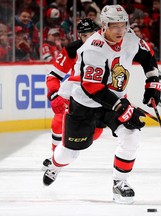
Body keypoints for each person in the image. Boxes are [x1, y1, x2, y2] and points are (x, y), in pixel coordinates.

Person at [42, 4, 161, 205]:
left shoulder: (130, 38)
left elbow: (147, 56)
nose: (119, 31)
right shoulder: (93, 48)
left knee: (131, 136)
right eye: (114, 26)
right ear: (104, 26)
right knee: (70, 153)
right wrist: (123, 108)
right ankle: (54, 166)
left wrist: (153, 84)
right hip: (85, 104)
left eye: (122, 25)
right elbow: (92, 88)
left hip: (113, 100)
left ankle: (119, 183)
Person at [43, 18, 100, 170]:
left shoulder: (109, 48)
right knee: (58, 120)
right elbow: (53, 75)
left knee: (94, 135)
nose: (88, 39)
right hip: (77, 93)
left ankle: (69, 152)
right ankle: (56, 156)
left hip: (101, 96)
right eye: (84, 35)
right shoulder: (72, 49)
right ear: (79, 36)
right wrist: (55, 93)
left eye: (91, 34)